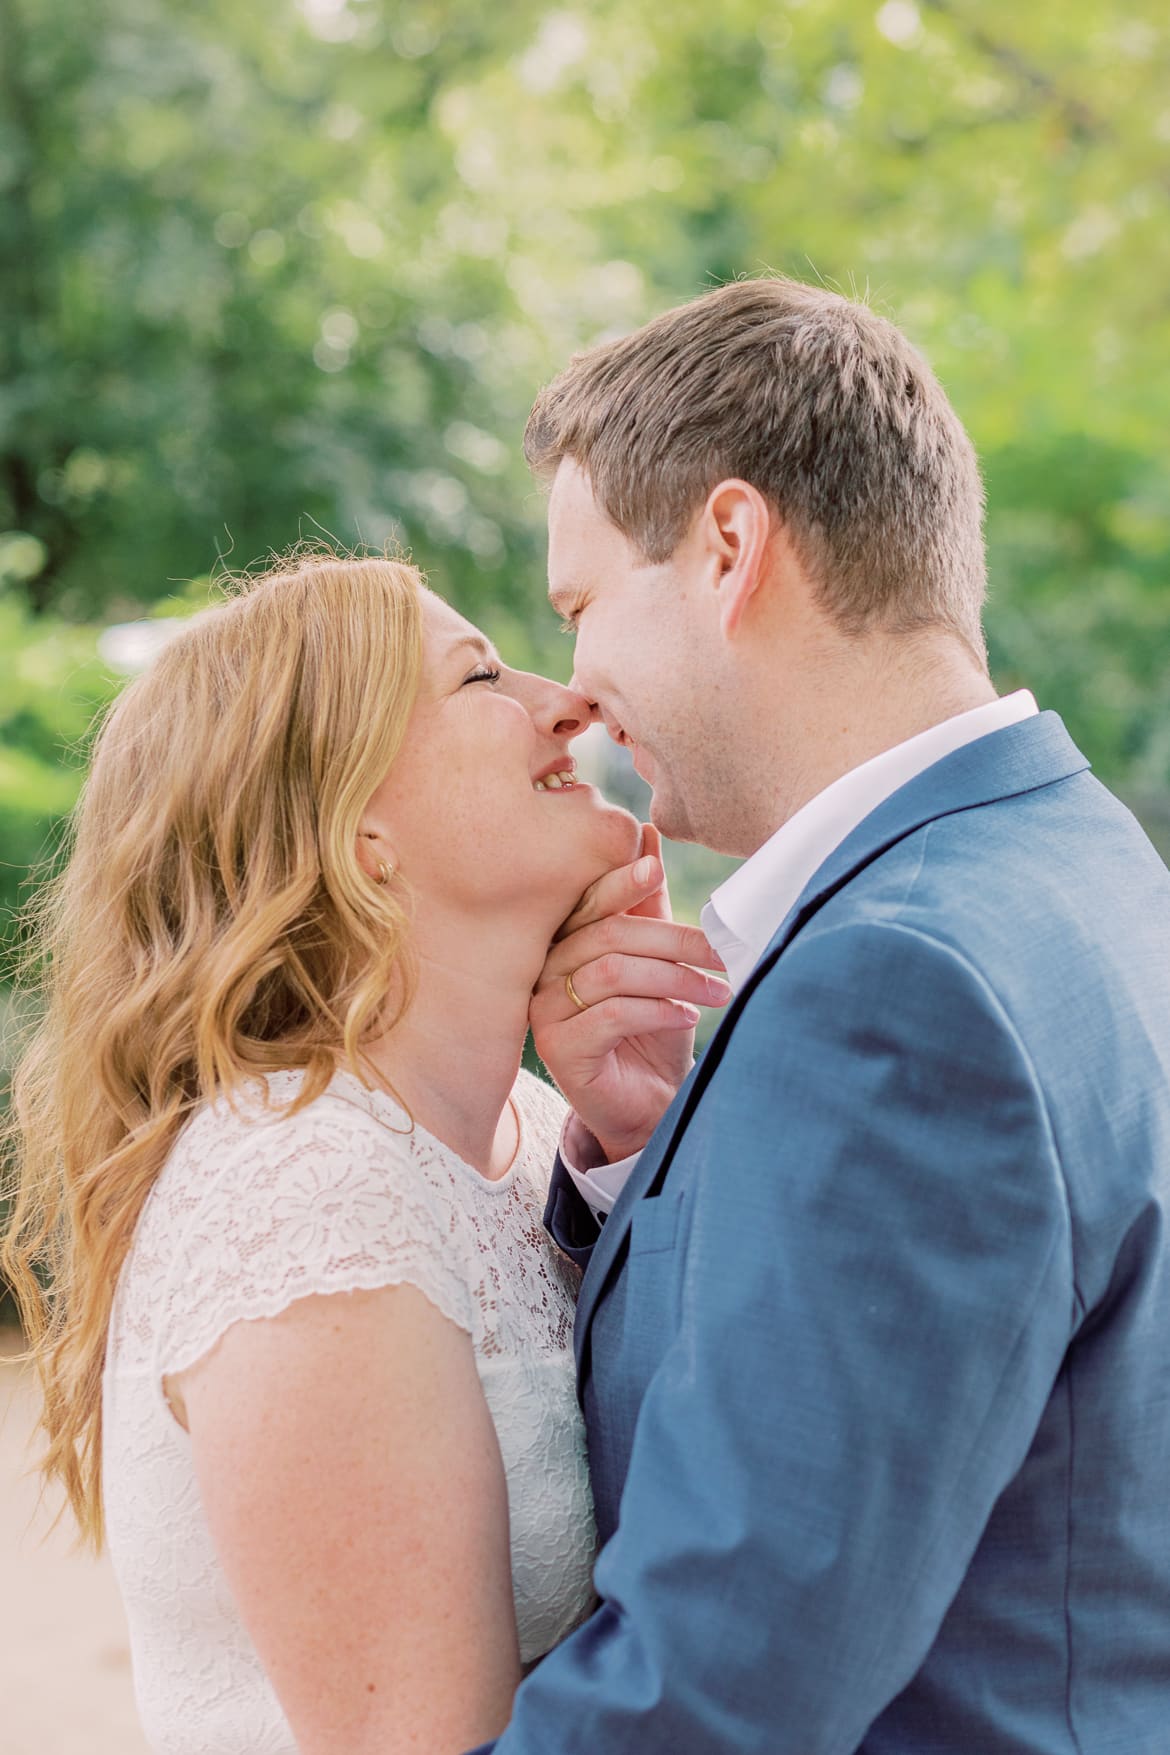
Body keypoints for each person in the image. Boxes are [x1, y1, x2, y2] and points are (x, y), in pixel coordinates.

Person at [469, 277, 1170, 1752]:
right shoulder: (1083, 866)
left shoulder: (894, 985)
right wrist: (638, 1143)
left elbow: (719, 1688)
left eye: (582, 604)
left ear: (729, 546)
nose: (577, 688)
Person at [0, 551, 729, 1755]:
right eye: (481, 675)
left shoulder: (544, 1134)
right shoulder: (304, 1189)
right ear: (356, 830)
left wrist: (642, 1140)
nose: (571, 701)